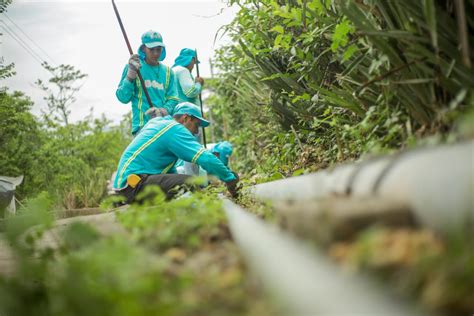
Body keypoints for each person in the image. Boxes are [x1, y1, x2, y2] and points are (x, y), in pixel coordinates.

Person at [113, 102, 239, 203]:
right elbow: (206, 158)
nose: (196, 132)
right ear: (186, 118)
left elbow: (170, 174)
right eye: (196, 125)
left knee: (187, 184)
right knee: (190, 184)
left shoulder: (163, 124)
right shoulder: (174, 129)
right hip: (133, 185)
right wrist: (229, 178)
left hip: (129, 185)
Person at [116, 30, 180, 136]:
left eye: (158, 49)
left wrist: (162, 111)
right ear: (143, 49)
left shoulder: (169, 72)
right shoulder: (133, 66)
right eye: (151, 49)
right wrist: (130, 75)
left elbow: (173, 98)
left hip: (164, 126)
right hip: (142, 127)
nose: (155, 53)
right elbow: (122, 98)